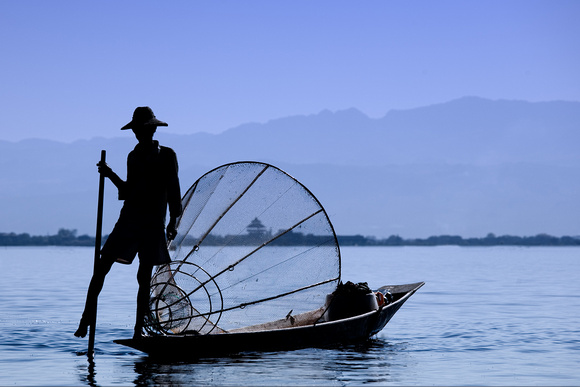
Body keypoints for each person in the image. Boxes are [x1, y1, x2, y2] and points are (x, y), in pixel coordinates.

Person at [74, 106, 182, 339]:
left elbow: (174, 190)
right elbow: (127, 191)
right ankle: (85, 320)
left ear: (152, 129)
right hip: (130, 219)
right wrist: (109, 174)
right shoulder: (133, 156)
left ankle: (138, 331)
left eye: (143, 129)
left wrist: (174, 220)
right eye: (136, 130)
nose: (138, 134)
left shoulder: (167, 155)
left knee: (144, 278)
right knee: (101, 268)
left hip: (153, 223)